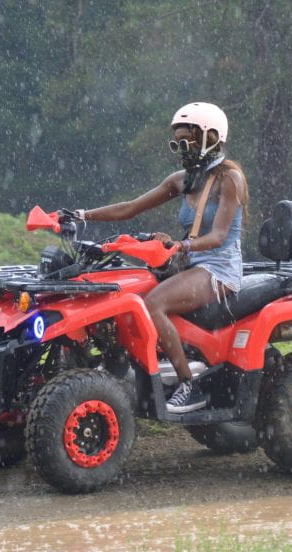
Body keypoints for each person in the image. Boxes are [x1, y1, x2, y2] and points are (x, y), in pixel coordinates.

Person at [73, 102, 249, 414]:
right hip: (191, 264)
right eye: (177, 142)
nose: (182, 148)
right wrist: (81, 214)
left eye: (188, 140)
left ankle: (188, 386)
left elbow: (220, 236)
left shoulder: (229, 179)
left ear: (212, 136)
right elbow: (130, 207)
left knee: (153, 303)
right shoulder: (183, 179)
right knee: (126, 293)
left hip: (218, 268)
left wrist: (180, 247)